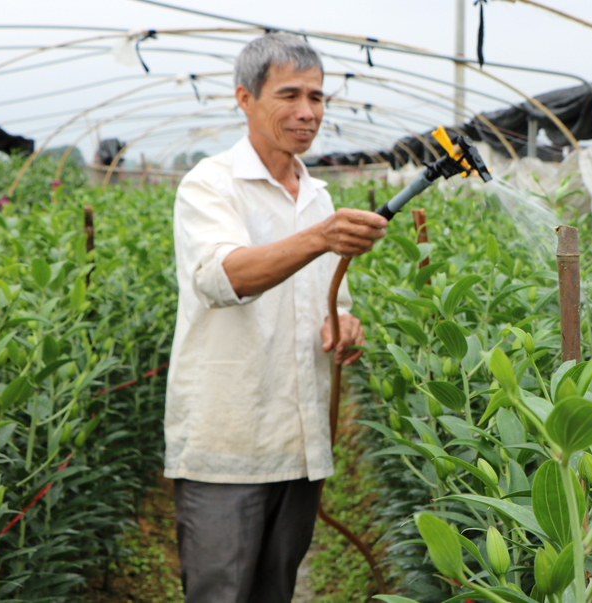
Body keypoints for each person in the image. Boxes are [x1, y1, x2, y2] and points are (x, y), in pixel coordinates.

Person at [163, 33, 387, 602]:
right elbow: (222, 277)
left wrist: (342, 323)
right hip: (228, 445)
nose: (307, 112)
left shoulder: (318, 196)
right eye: (289, 95)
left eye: (317, 97)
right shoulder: (211, 184)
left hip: (300, 443)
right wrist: (319, 238)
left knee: (275, 591)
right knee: (221, 592)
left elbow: (328, 301)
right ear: (245, 98)